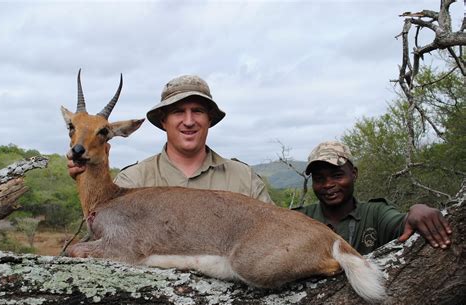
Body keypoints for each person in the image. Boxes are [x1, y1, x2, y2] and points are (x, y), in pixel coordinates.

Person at [68, 75, 273, 204]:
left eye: (198, 111)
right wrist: (88, 173)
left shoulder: (245, 179)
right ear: (163, 121)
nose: (189, 121)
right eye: (178, 112)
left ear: (209, 119)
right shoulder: (133, 179)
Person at [295, 141, 452, 254]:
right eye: (319, 178)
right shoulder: (299, 218)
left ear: (354, 174)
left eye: (337, 175)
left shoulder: (375, 213)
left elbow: (401, 223)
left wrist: (418, 210)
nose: (328, 184)